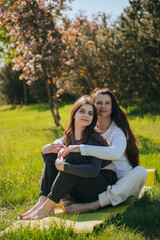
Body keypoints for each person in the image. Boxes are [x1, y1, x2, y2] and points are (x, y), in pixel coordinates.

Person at [20, 95, 117, 220]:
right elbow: (52, 166)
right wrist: (44, 152)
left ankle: (48, 207)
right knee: (53, 152)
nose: (86, 115)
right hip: (81, 189)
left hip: (100, 188)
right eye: (82, 111)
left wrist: (65, 167)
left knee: (72, 157)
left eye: (90, 113)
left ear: (93, 118)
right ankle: (42, 201)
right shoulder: (69, 136)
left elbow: (93, 171)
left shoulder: (94, 137)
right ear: (74, 114)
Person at [57, 88, 148, 213]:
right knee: (68, 158)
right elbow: (67, 137)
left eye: (107, 103)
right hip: (100, 180)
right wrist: (52, 145)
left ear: (113, 106)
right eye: (98, 103)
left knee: (141, 171)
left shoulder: (118, 131)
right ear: (92, 105)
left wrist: (82, 148)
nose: (102, 106)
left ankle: (92, 206)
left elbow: (115, 152)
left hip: (122, 182)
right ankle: (66, 196)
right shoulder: (90, 127)